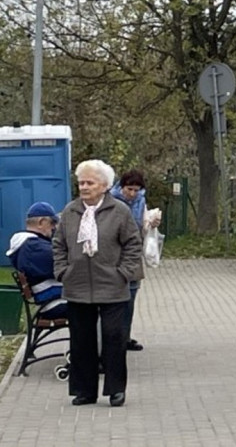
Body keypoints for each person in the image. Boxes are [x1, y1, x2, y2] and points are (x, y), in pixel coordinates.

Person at [53, 159, 143, 408]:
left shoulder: (120, 211)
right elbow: (59, 244)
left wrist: (123, 272)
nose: (84, 187)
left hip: (112, 286)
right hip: (78, 286)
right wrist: (63, 271)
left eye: (89, 183)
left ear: (104, 186)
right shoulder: (70, 211)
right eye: (81, 182)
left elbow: (133, 244)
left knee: (114, 338)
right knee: (81, 340)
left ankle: (115, 390)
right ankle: (84, 391)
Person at [110, 169, 155, 352]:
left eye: (136, 190)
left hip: (133, 252)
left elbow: (142, 226)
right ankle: (113, 337)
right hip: (115, 254)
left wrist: (150, 223)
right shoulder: (111, 201)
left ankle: (125, 336)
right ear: (122, 187)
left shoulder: (140, 201)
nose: (132, 194)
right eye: (129, 189)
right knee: (115, 299)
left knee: (131, 296)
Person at [6, 202, 67, 320]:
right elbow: (67, 265)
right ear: (41, 222)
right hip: (54, 304)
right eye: (52, 223)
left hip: (51, 300)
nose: (54, 227)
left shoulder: (30, 245)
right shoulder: (35, 248)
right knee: (103, 305)